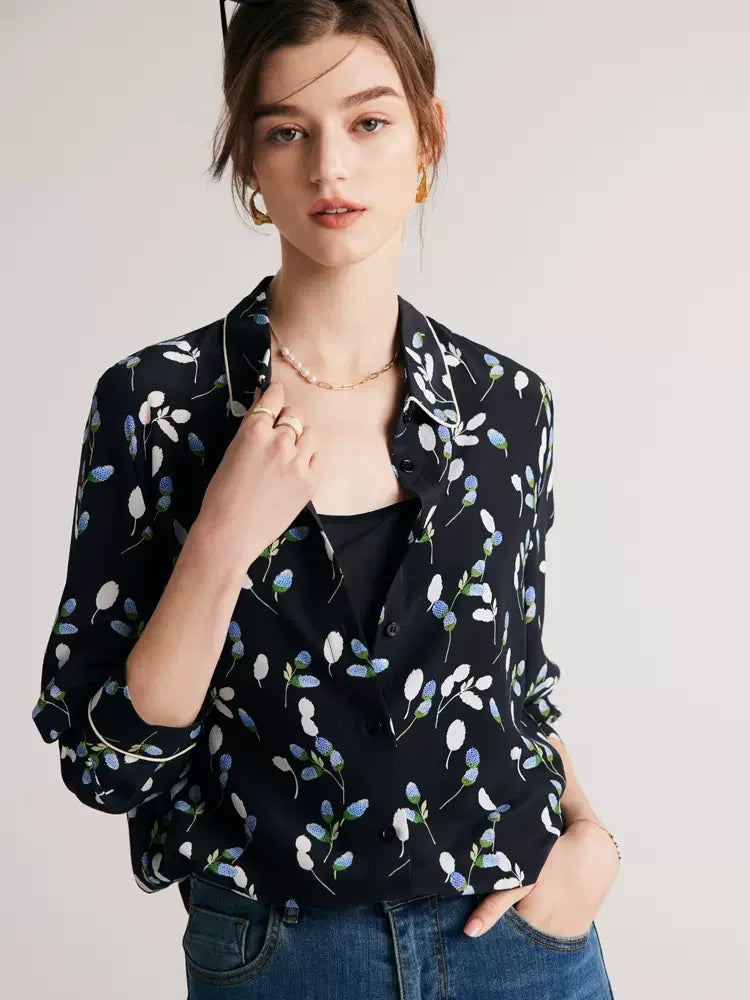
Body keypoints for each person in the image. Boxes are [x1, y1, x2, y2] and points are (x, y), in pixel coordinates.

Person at [31, 2, 620, 997]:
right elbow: (106, 764)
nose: (330, 169)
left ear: (428, 134)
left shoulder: (506, 406)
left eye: (368, 122)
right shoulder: (158, 406)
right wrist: (221, 537)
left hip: (520, 944)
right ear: (249, 164)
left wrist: (591, 838)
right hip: (281, 956)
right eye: (287, 131)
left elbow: (514, 684)